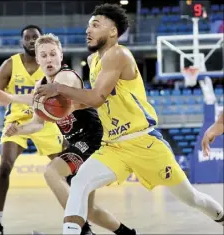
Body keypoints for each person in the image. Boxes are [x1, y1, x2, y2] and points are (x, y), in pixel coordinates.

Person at [33, 4, 224, 234]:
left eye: (95, 24)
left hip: (144, 142)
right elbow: (93, 102)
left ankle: (221, 218)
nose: (88, 30)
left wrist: (58, 88)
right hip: (114, 146)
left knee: (192, 198)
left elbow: (96, 97)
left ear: (113, 31)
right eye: (88, 25)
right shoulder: (94, 61)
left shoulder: (118, 54)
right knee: (80, 182)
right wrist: (63, 108)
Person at [0, 33, 137, 235]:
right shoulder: (40, 85)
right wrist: (19, 130)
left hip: (94, 140)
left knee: (52, 172)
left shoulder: (66, 77)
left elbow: (51, 96)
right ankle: (127, 234)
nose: (49, 59)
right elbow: (37, 124)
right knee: (90, 210)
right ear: (38, 60)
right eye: (44, 55)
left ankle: (81, 229)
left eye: (52, 54)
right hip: (79, 143)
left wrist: (12, 98)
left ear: (61, 56)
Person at [0, 25, 64, 235]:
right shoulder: (10, 65)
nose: (32, 40)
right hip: (16, 120)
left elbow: (64, 96)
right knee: (5, 165)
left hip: (45, 121)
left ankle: (79, 220)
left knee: (66, 171)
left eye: (36, 37)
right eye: (28, 37)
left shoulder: (51, 64)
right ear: (22, 41)